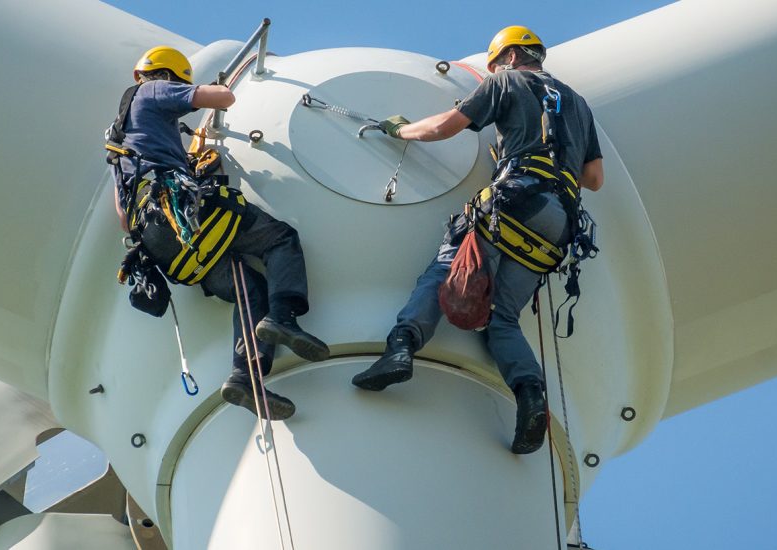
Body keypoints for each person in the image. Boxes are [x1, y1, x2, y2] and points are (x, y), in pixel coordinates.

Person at [351, 27, 605, 453]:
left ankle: (401, 349)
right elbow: (594, 179)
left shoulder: (505, 82)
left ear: (505, 58)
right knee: (501, 318)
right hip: (558, 225)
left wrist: (401, 131)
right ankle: (530, 396)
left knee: (445, 271)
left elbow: (445, 128)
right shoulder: (577, 104)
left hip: (515, 199)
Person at [107, 46, 330, 420]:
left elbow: (123, 217)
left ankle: (245, 377)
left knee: (248, 288)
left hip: (160, 239)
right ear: (168, 75)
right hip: (183, 211)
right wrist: (210, 90)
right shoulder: (153, 90)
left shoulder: (118, 140)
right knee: (279, 239)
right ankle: (284, 317)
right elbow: (222, 97)